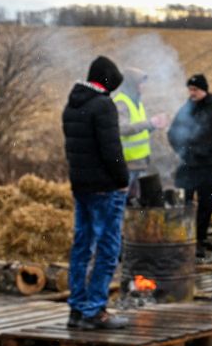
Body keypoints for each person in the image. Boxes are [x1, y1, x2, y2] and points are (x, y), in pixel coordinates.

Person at [62, 55, 129, 330]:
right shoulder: (103, 106)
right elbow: (111, 150)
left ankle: (76, 310)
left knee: (81, 247)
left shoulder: (72, 104)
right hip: (105, 188)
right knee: (107, 249)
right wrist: (123, 179)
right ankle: (95, 311)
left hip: (82, 186)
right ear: (108, 83)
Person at [167, 74, 212, 257]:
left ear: (204, 90)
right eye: (190, 90)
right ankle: (183, 239)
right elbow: (172, 131)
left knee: (206, 205)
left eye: (195, 90)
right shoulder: (186, 108)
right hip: (187, 164)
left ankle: (200, 242)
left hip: (208, 165)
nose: (192, 93)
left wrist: (210, 148)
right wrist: (179, 149)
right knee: (183, 204)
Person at [112, 67, 168, 200]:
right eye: (141, 83)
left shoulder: (136, 102)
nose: (143, 86)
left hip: (140, 162)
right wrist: (150, 123)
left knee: (134, 200)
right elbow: (122, 128)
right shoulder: (121, 102)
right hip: (127, 163)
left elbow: (140, 130)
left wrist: (154, 125)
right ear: (132, 84)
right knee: (121, 200)